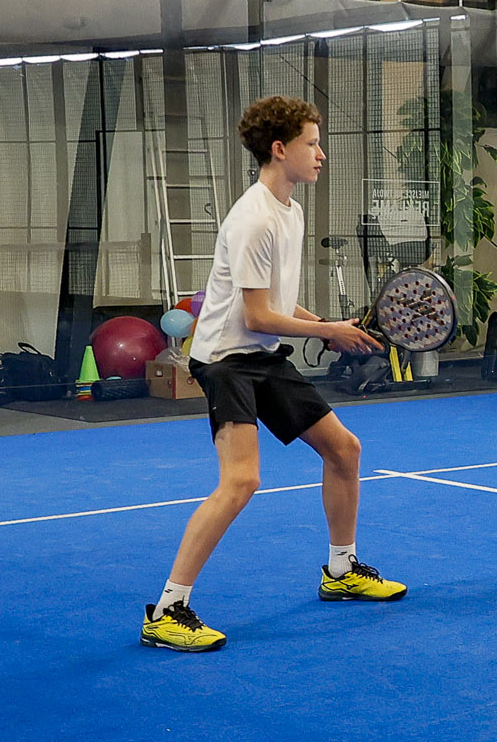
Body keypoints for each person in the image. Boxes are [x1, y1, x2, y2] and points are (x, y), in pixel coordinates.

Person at [141, 96, 407, 653]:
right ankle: (167, 610)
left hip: (260, 354)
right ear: (280, 149)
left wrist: (329, 324)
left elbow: (277, 304)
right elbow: (257, 316)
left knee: (345, 450)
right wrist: (329, 332)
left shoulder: (291, 209)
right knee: (241, 481)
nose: (322, 154)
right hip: (225, 361)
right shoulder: (253, 219)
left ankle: (340, 572)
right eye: (312, 143)